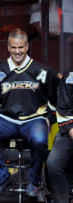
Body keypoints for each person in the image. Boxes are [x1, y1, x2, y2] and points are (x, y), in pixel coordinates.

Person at [0, 28, 59, 197]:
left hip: (34, 119)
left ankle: (34, 180)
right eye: (14, 47)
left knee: (40, 140)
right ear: (8, 47)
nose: (17, 51)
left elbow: (58, 99)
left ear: (27, 46)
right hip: (6, 120)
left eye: (21, 47)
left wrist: (48, 119)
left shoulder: (43, 71)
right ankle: (1, 178)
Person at [46, 71, 73, 203]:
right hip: (69, 129)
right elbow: (63, 108)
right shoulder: (70, 76)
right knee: (53, 163)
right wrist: (71, 130)